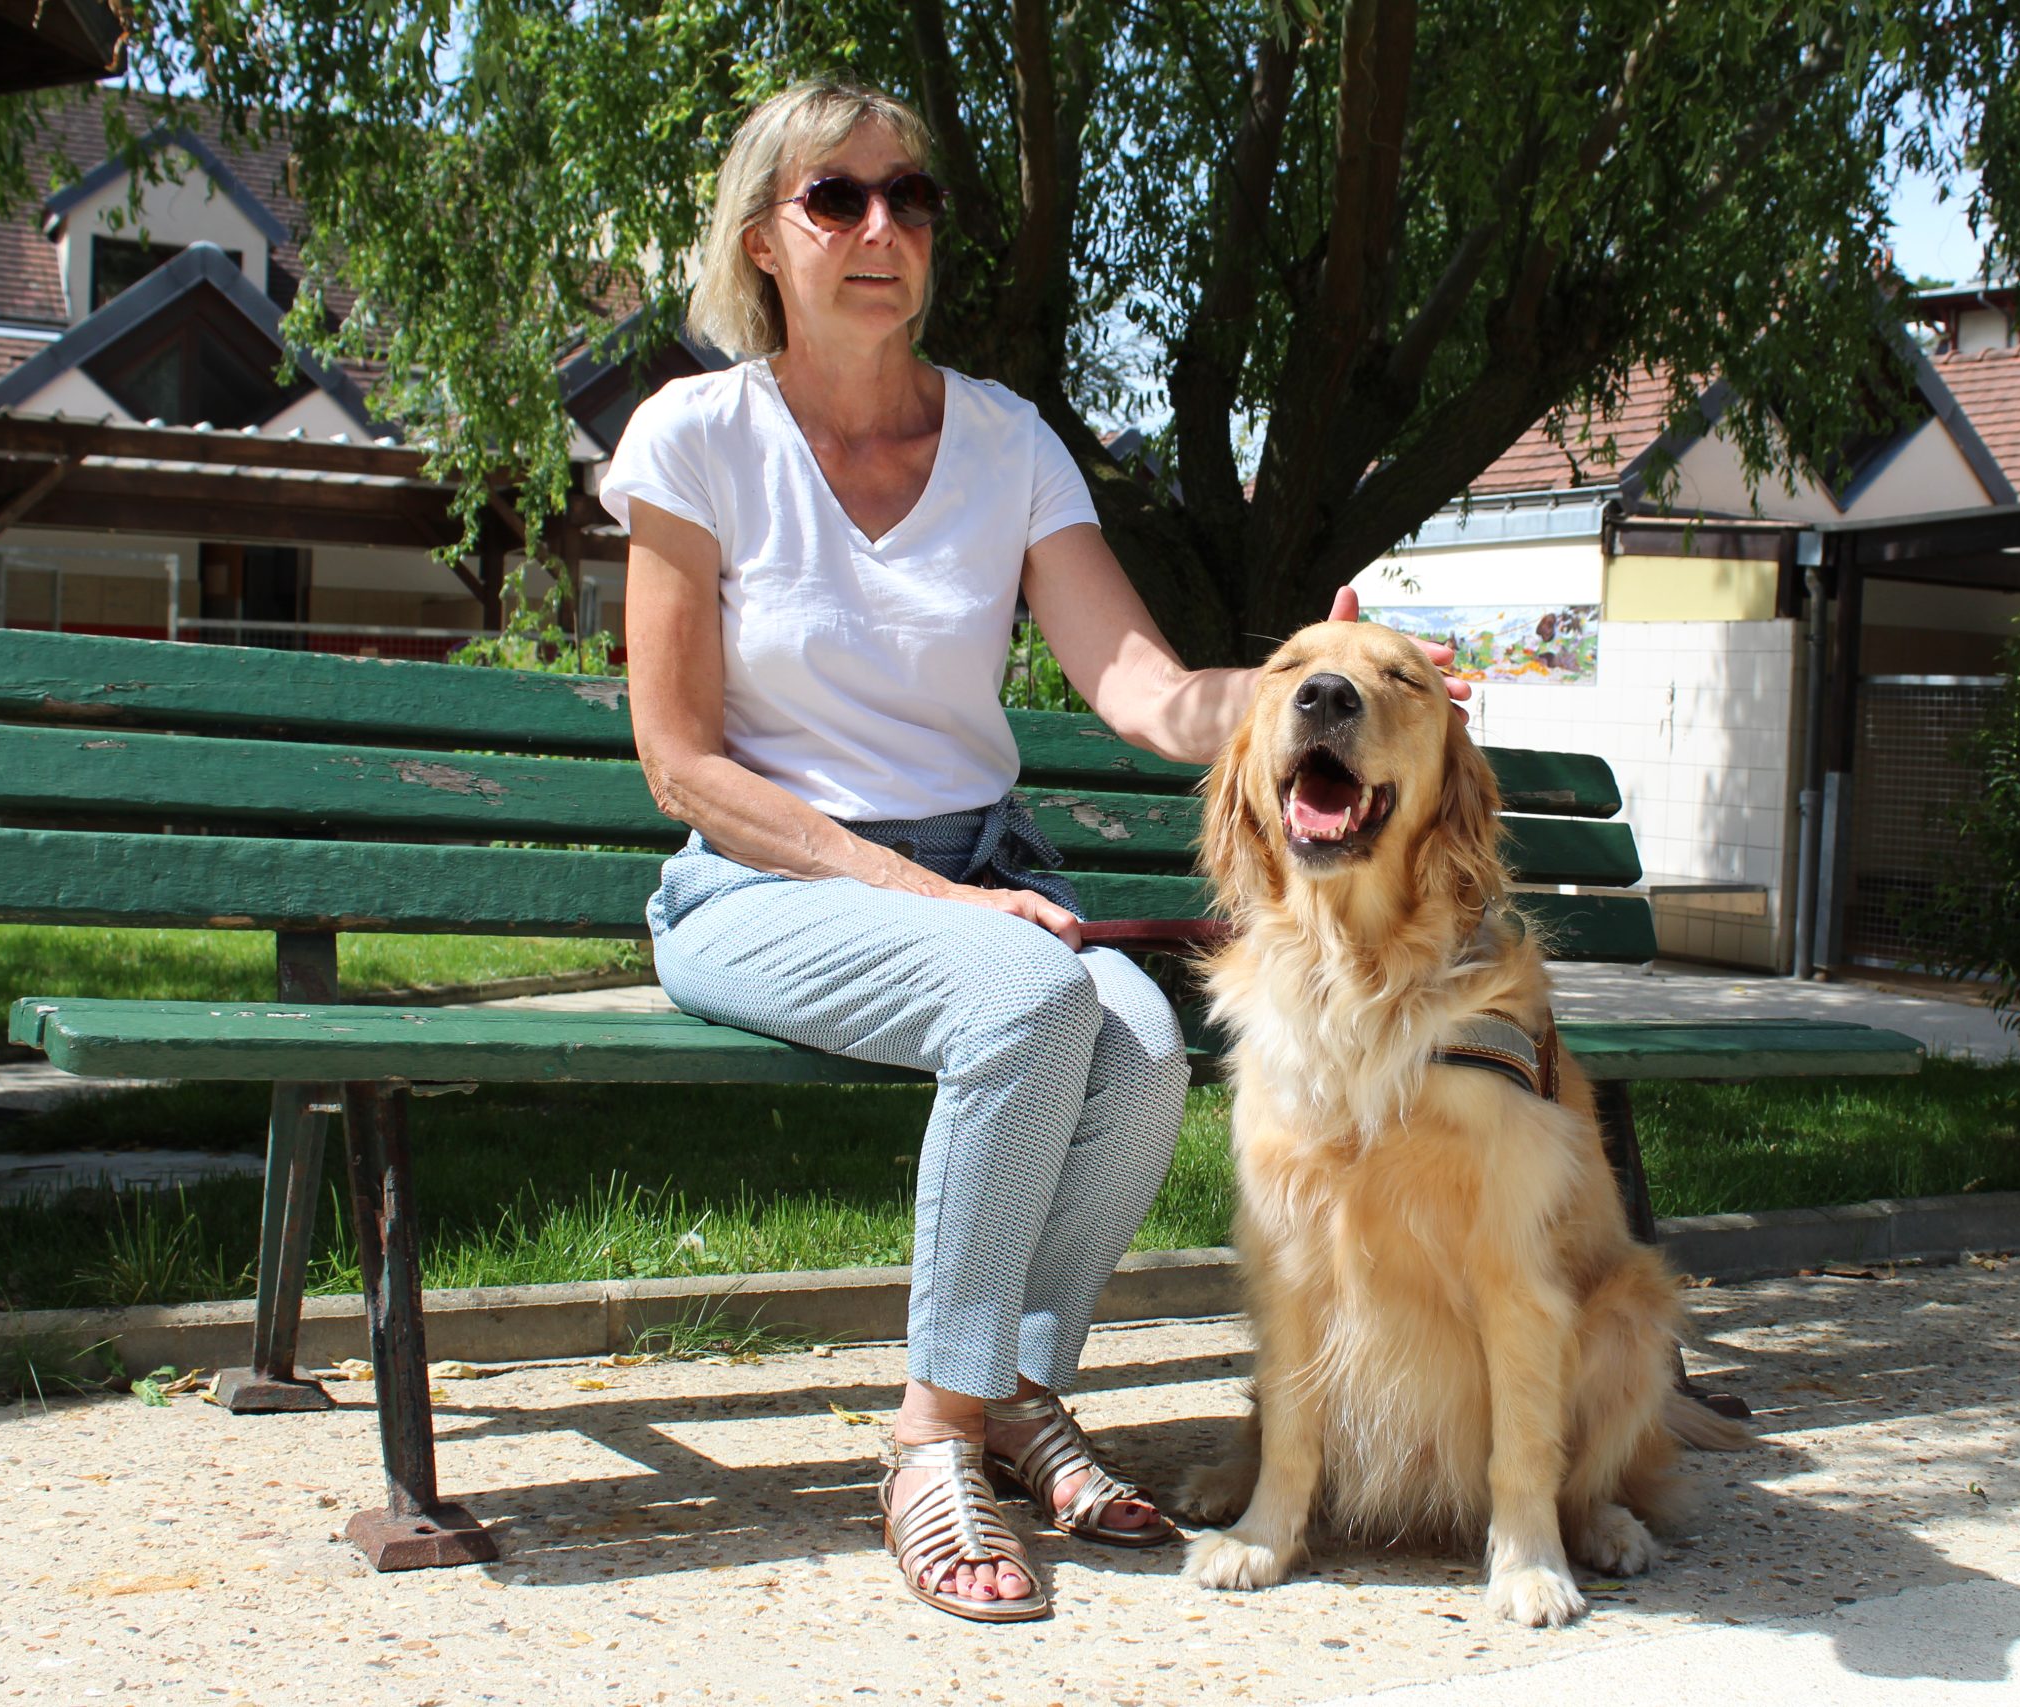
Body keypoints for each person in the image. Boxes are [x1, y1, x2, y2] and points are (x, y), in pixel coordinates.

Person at [604, 78, 1464, 1624]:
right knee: (1025, 994)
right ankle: (931, 1442)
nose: (882, 226)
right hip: (763, 883)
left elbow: (1141, 686)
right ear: (762, 242)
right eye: (837, 198)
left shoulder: (1005, 440)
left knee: (1142, 1045)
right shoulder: (698, 439)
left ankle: (1008, 1388)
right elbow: (684, 765)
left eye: (912, 198)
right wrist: (934, 899)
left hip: (980, 882)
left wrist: (1303, 690)